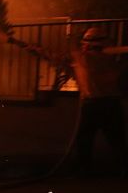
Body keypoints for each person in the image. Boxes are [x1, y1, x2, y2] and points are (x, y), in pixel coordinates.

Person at [12, 26, 128, 175]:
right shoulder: (113, 59)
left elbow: (50, 55)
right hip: (111, 104)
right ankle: (123, 170)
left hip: (91, 104)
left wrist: (24, 45)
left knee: (85, 139)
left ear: (86, 43)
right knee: (116, 140)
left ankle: (85, 170)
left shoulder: (80, 58)